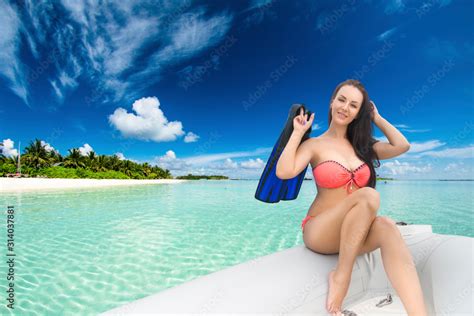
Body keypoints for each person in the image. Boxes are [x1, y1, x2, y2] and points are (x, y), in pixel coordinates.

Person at [275, 79, 427, 316]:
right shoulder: (315, 145)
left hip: (352, 233)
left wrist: (376, 118)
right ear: (332, 102)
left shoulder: (363, 146)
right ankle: (341, 276)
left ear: (359, 113)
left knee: (387, 226)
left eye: (354, 105)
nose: (345, 108)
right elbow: (284, 171)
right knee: (368, 195)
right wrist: (298, 133)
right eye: (342, 100)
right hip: (320, 230)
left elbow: (402, 145)